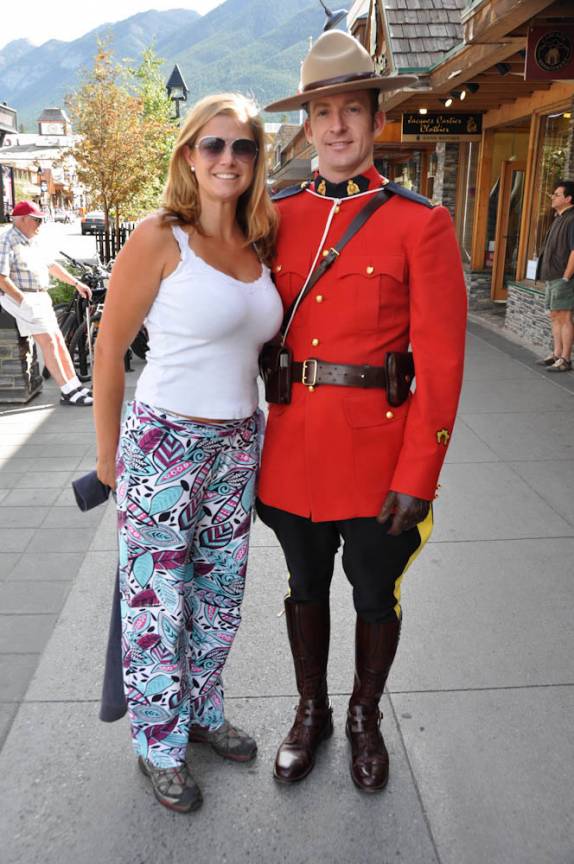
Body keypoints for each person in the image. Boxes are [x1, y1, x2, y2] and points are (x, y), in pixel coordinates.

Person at [256, 31, 467, 793]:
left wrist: (421, 472)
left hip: (381, 459)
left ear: (376, 119)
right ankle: (309, 709)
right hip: (291, 452)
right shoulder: (273, 218)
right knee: (304, 589)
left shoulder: (421, 223)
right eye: (322, 111)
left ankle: (363, 716)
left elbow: (441, 367)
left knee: (375, 596)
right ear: (308, 126)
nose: (337, 125)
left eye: (352, 109)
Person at [92, 93, 282, 814]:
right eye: (214, 146)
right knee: (156, 603)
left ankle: (202, 713)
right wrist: (109, 458)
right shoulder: (158, 236)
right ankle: (159, 745)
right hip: (164, 441)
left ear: (256, 160)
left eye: (243, 148)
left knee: (221, 597)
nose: (228, 159)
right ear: (189, 155)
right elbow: (109, 348)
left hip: (238, 443)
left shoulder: (258, 244)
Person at [0, 200, 94, 406]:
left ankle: (74, 385)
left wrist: (76, 283)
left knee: (58, 341)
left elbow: (51, 265)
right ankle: (68, 392)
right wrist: (23, 301)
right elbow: (1, 277)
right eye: (37, 220)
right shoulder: (6, 240)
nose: (40, 224)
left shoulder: (32, 239)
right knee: (49, 343)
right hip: (25, 298)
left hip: (40, 296)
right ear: (22, 220)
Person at [535, 179, 574, 372]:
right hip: (552, 276)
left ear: (569, 198)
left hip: (563, 278)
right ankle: (557, 353)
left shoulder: (572, 219)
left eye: (557, 194)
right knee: (554, 315)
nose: (553, 197)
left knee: (564, 317)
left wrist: (567, 276)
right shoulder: (559, 217)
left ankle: (566, 358)